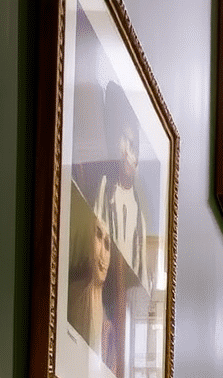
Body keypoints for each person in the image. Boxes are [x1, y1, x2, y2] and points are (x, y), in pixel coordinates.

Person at [94, 81, 149, 291]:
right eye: (122, 141)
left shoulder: (138, 214)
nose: (126, 152)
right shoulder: (105, 188)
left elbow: (141, 272)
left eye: (132, 146)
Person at [66, 203, 119, 377]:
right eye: (98, 236)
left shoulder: (109, 329)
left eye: (107, 245)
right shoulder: (68, 298)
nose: (103, 255)